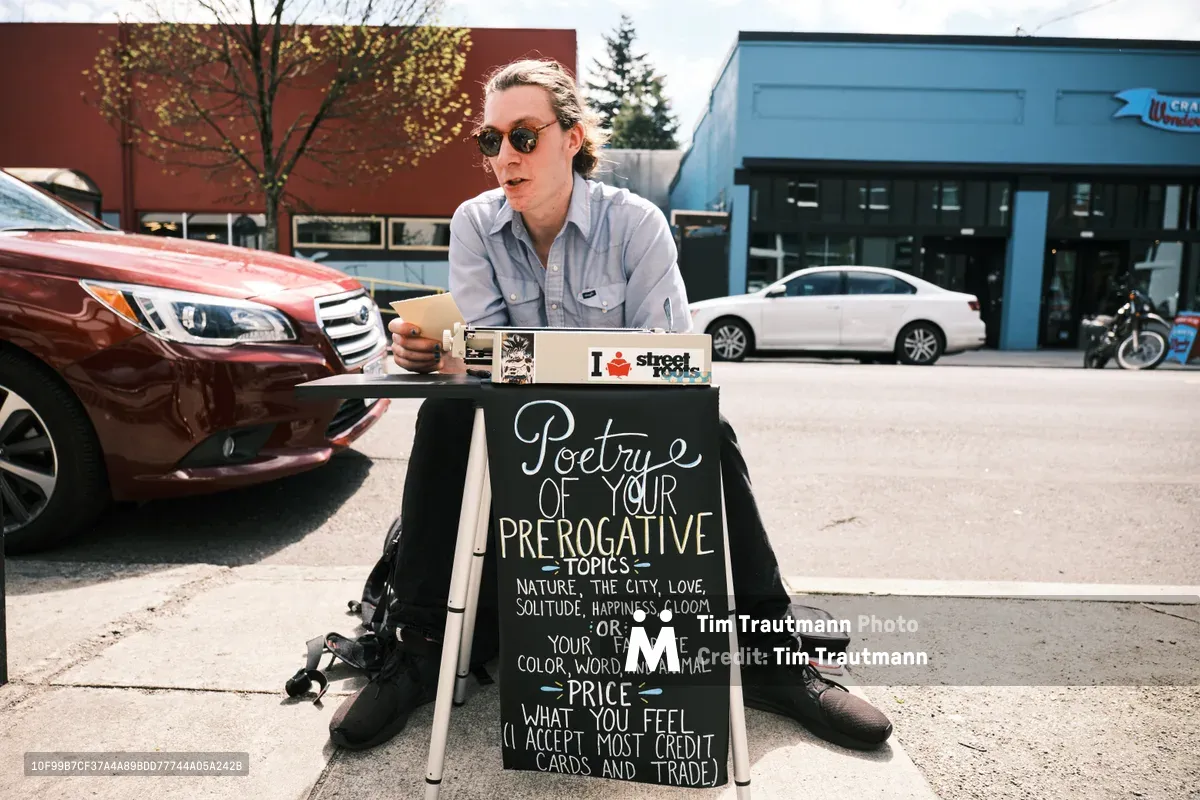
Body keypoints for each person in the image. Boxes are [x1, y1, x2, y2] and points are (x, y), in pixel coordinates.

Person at [327, 58, 893, 755]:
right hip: (516, 430)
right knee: (443, 415)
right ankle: (416, 650)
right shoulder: (475, 223)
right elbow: (474, 352)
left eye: (524, 136)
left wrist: (493, 354)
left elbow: (671, 357)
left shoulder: (637, 224)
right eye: (490, 139)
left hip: (630, 429)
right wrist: (434, 351)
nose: (504, 155)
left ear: (571, 137)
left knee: (708, 427)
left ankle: (772, 653)